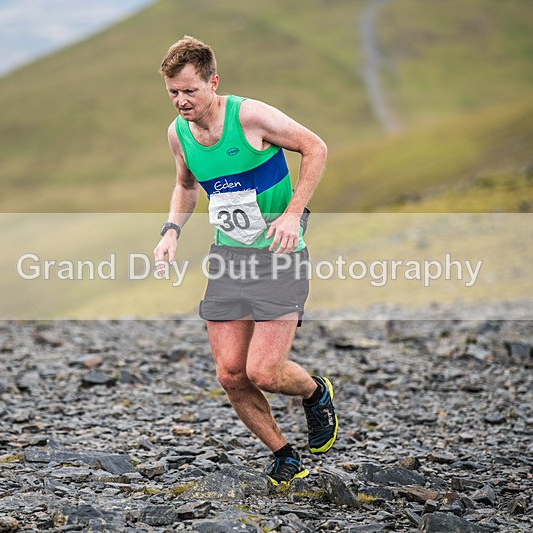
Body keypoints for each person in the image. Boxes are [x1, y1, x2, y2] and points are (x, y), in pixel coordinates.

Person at [153, 36, 337, 485]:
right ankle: (284, 454)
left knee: (265, 371)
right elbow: (187, 186)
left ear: (213, 82)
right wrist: (170, 231)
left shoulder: (250, 116)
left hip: (279, 257)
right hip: (228, 260)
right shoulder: (179, 133)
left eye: (190, 90)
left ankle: (315, 392)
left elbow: (316, 148)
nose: (181, 101)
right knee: (232, 374)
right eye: (173, 92)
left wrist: (293, 215)